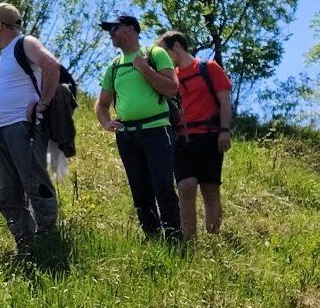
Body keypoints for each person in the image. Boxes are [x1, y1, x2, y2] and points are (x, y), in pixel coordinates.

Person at [0, 2, 60, 254]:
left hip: (22, 127)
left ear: (1, 25)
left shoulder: (26, 43)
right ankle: (26, 243)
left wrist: (43, 104)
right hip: (4, 129)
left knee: (34, 182)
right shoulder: (5, 53)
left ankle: (47, 238)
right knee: (8, 193)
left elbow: (51, 65)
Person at [94, 13, 182, 241]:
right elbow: (102, 103)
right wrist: (105, 121)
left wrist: (144, 69)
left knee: (163, 187)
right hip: (127, 137)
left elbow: (172, 89)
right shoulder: (114, 67)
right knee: (140, 193)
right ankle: (153, 239)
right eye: (109, 30)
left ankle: (174, 239)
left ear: (131, 28)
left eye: (115, 28)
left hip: (157, 132)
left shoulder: (155, 54)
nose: (111, 34)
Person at [158, 30, 233, 237]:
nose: (161, 57)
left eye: (164, 51)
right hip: (181, 139)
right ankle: (189, 241)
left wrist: (225, 131)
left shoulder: (208, 68)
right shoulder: (170, 78)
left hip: (209, 136)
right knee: (185, 187)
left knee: (210, 190)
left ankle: (212, 237)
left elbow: (225, 100)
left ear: (175, 47)